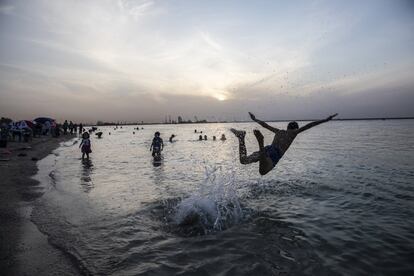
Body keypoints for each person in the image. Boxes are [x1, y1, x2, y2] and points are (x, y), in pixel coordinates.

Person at [230, 112, 338, 175]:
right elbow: (309, 125)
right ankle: (260, 142)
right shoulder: (294, 133)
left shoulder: (279, 132)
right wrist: (325, 120)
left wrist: (255, 119)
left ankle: (241, 137)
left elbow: (264, 125)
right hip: (274, 154)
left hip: (269, 148)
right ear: (296, 128)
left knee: (243, 160)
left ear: (287, 127)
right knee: (262, 172)